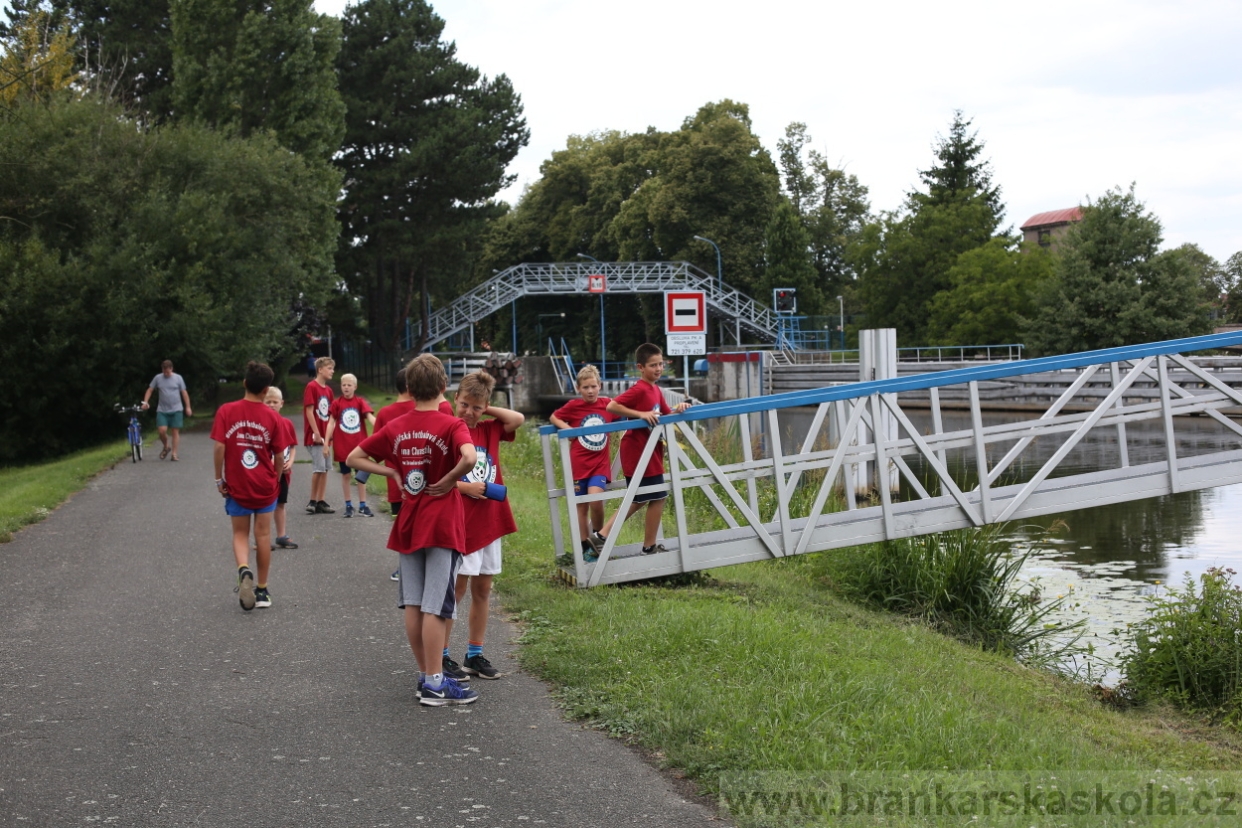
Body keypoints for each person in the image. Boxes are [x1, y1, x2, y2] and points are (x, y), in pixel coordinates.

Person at [346, 354, 479, 706]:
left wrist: (391, 473)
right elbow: (469, 457)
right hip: (441, 525)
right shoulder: (451, 424)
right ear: (442, 386)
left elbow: (353, 458)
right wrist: (450, 480)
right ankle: (436, 683)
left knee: (414, 603)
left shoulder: (396, 426)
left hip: (409, 521)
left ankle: (425, 675)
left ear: (408, 388)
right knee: (437, 605)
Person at [445, 370, 524, 681]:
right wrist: (465, 489)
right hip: (461, 522)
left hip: (489, 520)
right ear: (455, 399)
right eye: (464, 404)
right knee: (457, 589)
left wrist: (483, 405)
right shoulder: (448, 430)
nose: (469, 412)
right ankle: (443, 654)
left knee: (484, 588)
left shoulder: (490, 429)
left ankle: (474, 654)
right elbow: (433, 480)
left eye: (476, 407)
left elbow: (516, 418)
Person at [591, 344, 689, 556]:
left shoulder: (656, 390)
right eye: (653, 365)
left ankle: (605, 536)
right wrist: (640, 414)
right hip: (637, 451)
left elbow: (665, 413)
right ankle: (643, 545)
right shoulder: (639, 389)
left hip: (651, 451)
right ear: (640, 367)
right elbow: (612, 406)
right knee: (651, 496)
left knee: (646, 497)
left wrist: (679, 408)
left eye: (661, 364)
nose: (658, 368)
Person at [211, 361, 293, 611]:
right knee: (264, 536)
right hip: (264, 486)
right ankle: (262, 589)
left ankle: (243, 568)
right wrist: (277, 477)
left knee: (239, 534)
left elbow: (219, 447)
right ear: (267, 389)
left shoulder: (226, 411)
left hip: (237, 485)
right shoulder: (273, 417)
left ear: (244, 383)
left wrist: (219, 478)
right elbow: (279, 455)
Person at [550, 365, 616, 562]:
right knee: (581, 506)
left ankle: (597, 539)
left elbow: (626, 413)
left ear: (600, 386)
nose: (590, 391)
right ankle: (582, 546)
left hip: (599, 464)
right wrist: (569, 431)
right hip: (578, 463)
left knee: (596, 501)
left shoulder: (608, 404)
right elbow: (554, 417)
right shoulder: (573, 406)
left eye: (594, 386)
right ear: (579, 388)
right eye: (586, 387)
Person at [324, 373, 376, 518]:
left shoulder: (360, 402)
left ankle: (363, 505)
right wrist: (327, 443)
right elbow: (330, 423)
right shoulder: (337, 403)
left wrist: (381, 427)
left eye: (349, 385)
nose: (346, 387)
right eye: (344, 385)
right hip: (343, 446)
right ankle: (348, 505)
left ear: (355, 387)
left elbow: (369, 417)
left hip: (359, 448)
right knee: (346, 475)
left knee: (361, 476)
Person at [264, 386, 299, 550]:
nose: (271, 405)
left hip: (284, 472)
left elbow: (292, 447)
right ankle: (262, 538)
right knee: (265, 505)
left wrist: (290, 462)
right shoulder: (261, 424)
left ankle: (281, 535)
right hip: (266, 472)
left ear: (281, 403)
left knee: (280, 503)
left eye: (275, 402)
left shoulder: (287, 423)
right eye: (268, 402)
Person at [302, 357, 335, 514]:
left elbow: (331, 416)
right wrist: (316, 432)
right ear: (320, 369)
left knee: (326, 468)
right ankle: (312, 500)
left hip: (326, 437)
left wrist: (329, 437)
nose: (332, 371)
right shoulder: (311, 387)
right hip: (316, 436)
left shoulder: (328, 391)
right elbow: (309, 411)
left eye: (332, 368)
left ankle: (321, 500)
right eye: (329, 368)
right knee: (319, 468)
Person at [141, 359, 192, 461]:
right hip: (162, 409)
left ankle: (174, 453)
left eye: (167, 371)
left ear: (171, 369)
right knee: (161, 431)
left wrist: (188, 407)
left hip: (176, 408)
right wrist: (145, 402)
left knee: (175, 432)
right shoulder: (158, 378)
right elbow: (150, 390)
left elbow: (184, 393)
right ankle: (166, 446)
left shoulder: (178, 378)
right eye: (164, 371)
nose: (166, 373)